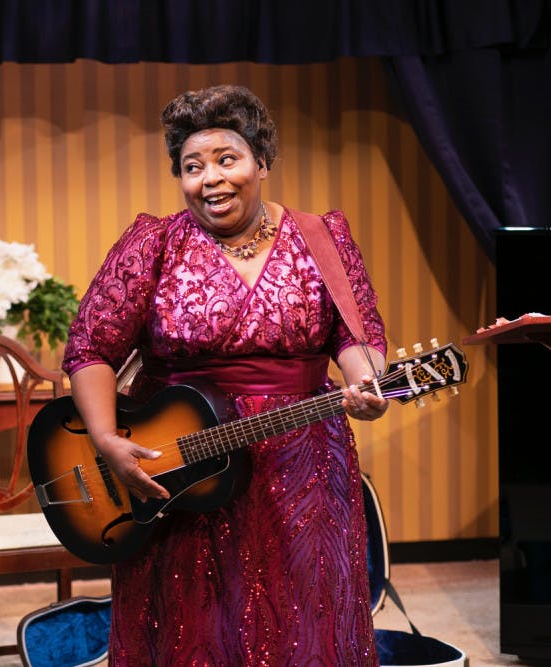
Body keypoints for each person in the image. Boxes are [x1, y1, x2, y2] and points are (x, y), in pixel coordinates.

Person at [62, 84, 387, 665]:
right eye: (192, 166)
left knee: (306, 621)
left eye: (226, 159)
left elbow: (356, 337)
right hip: (183, 473)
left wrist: (368, 384)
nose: (210, 178)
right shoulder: (153, 243)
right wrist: (108, 441)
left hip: (304, 469)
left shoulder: (322, 237)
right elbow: (90, 346)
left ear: (261, 162)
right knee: (194, 627)